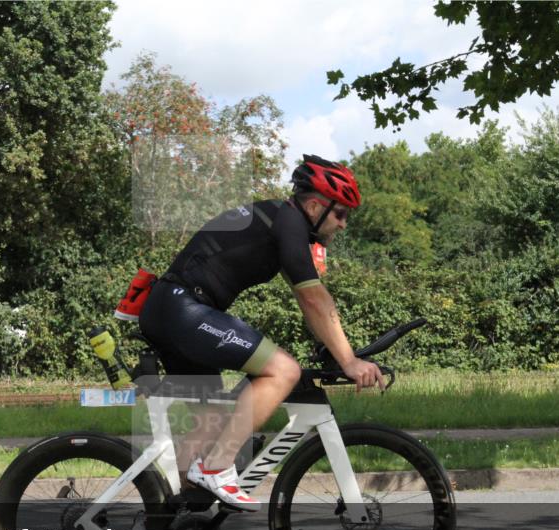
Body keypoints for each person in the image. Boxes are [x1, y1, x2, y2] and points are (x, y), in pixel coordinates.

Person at [138, 155, 387, 511]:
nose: (344, 225)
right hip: (184, 309)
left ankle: (171, 522)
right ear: (316, 205)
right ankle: (216, 468)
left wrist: (332, 348)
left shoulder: (280, 221)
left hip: (170, 308)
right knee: (283, 370)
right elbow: (314, 298)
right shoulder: (289, 224)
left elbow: (310, 302)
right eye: (341, 214)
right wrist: (348, 360)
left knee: (207, 423)